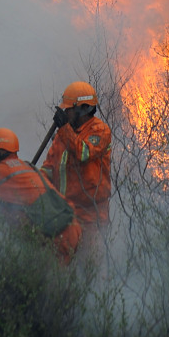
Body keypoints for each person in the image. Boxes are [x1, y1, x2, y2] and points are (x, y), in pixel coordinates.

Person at [0, 127, 82, 263]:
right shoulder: (26, 167)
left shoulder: (0, 172)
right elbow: (6, 207)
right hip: (72, 228)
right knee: (60, 279)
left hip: (56, 238)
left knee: (40, 280)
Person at [39, 81, 112, 247]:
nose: (66, 112)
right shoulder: (63, 135)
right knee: (62, 268)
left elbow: (84, 153)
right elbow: (49, 168)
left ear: (84, 108)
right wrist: (34, 181)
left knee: (89, 269)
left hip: (91, 219)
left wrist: (64, 129)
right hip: (64, 216)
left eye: (69, 109)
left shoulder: (100, 130)